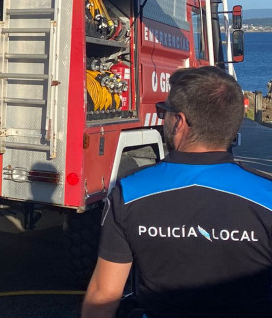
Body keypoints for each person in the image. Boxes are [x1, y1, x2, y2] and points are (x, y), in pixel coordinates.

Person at [82, 66, 272, 318]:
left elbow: (104, 295)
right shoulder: (265, 195)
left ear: (179, 122)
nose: (163, 119)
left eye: (164, 112)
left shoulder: (130, 192)